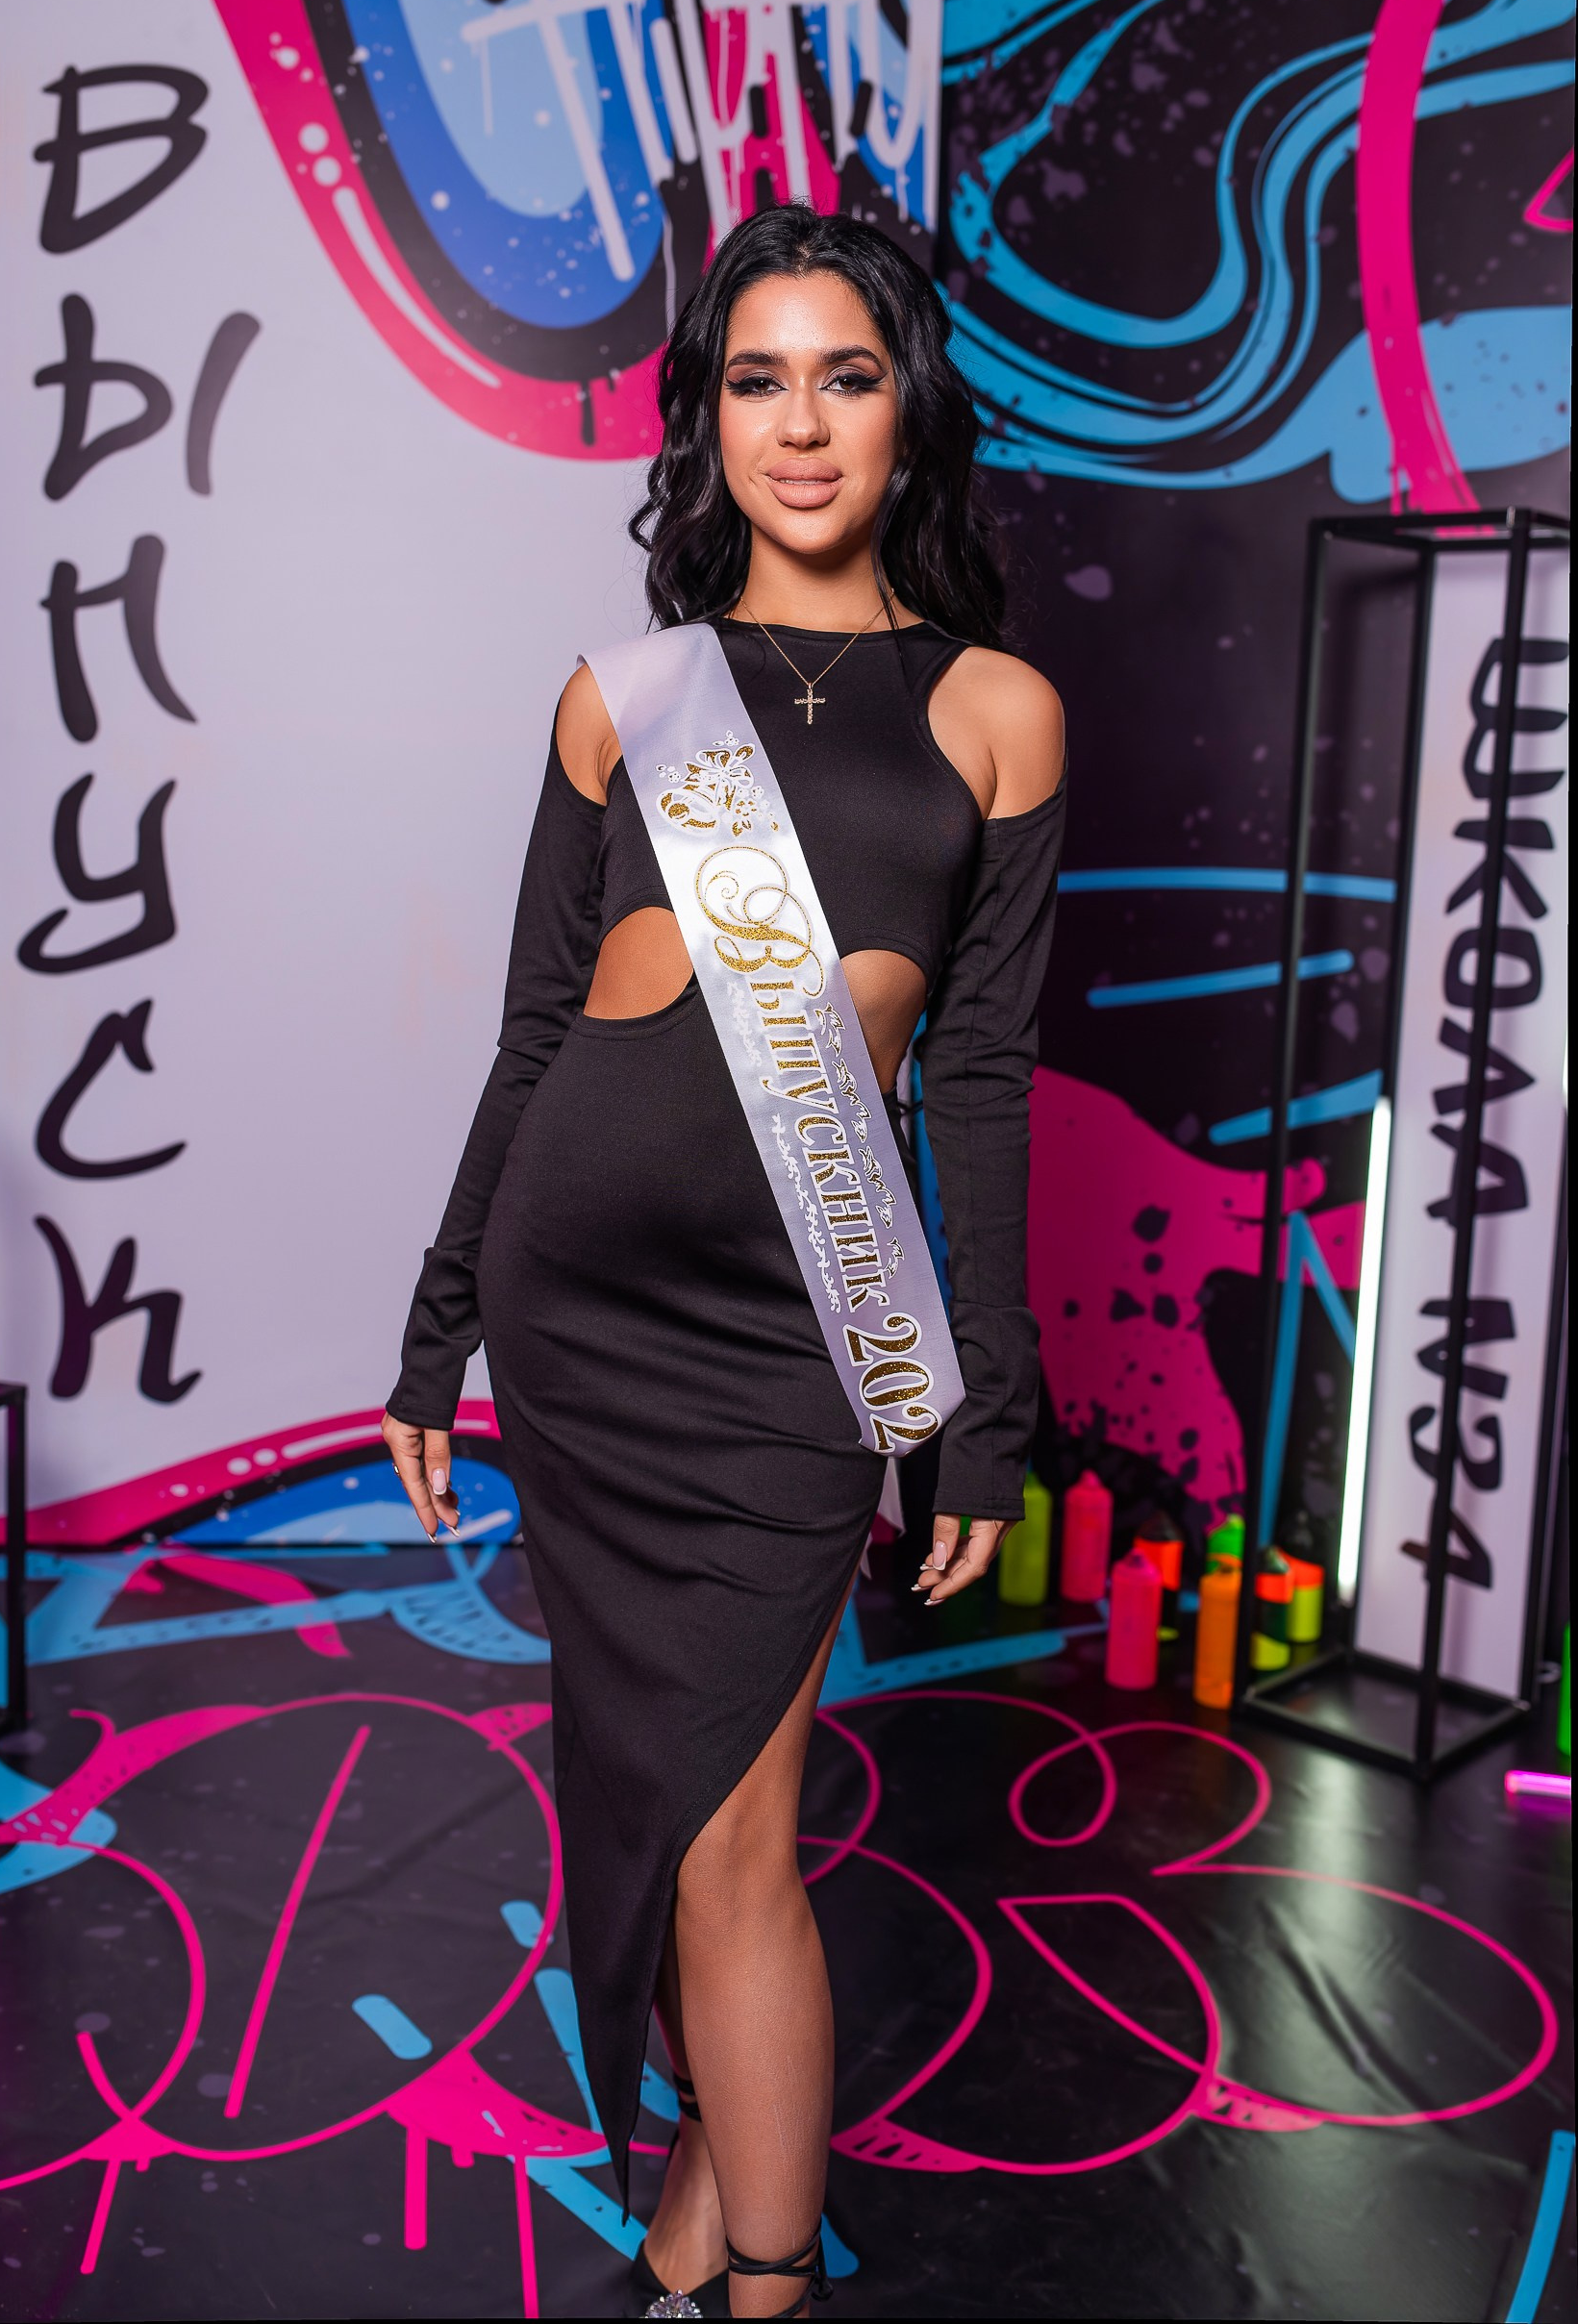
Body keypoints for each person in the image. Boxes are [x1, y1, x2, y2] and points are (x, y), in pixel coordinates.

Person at [383, 204, 1065, 2321]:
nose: (803, 423)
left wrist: (975, 1415)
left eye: (845, 376)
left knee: (734, 1834)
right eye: (757, 379)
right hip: (582, 1316)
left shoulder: (997, 710)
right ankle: (707, 2182)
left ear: (906, 408)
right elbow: (530, 1036)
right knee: (651, 1806)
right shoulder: (628, 695)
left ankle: (764, 2280)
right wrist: (438, 1327)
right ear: (707, 419)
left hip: (794, 1334)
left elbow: (980, 1085)